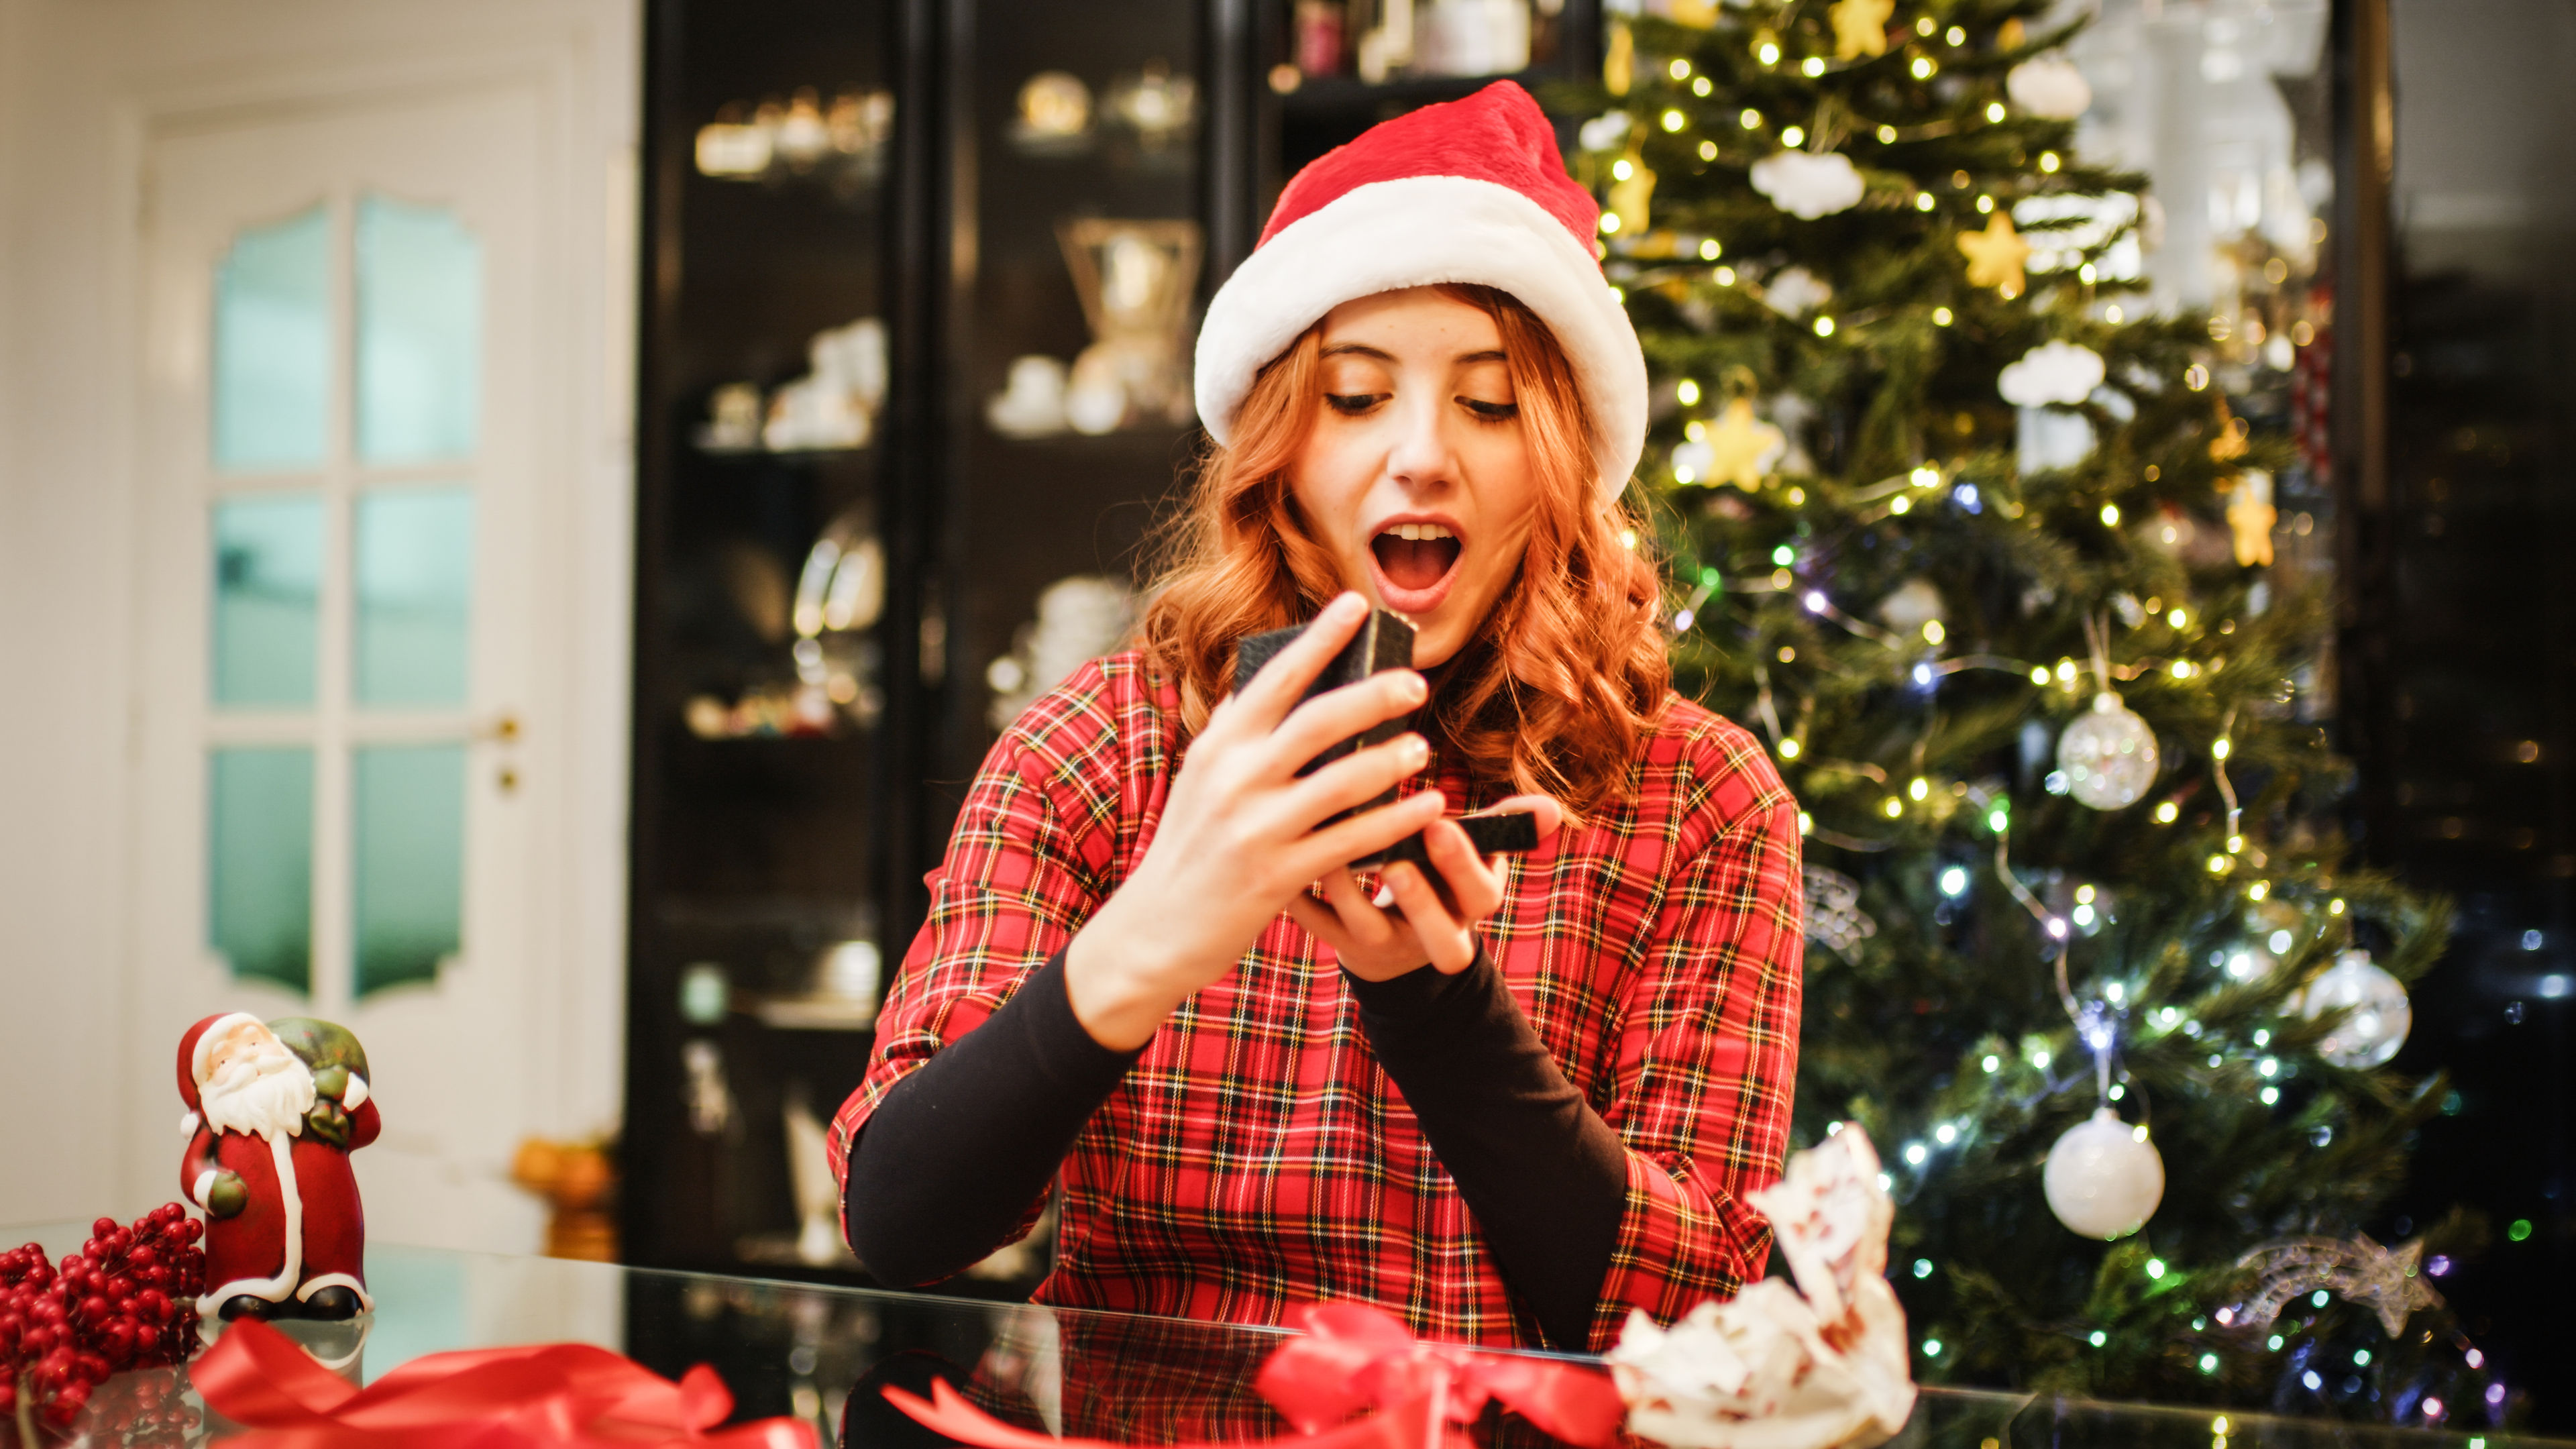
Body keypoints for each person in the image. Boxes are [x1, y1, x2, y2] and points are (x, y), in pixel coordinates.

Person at [833, 80, 1802, 1352]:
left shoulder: (1702, 801)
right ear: (1279, 450)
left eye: (1491, 401)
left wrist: (1435, 1002)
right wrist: (1156, 933)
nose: (1422, 455)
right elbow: (899, 1219)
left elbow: (1704, 1320)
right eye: (1354, 397)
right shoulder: (1107, 746)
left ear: (1559, 462)